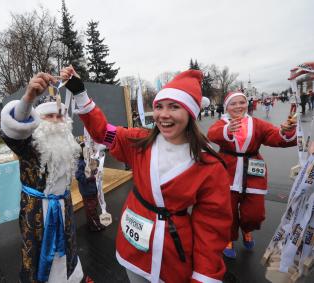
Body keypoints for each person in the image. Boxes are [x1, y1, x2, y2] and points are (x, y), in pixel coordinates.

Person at [62, 66, 232, 283]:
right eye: (159, 106)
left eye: (174, 107)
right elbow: (102, 131)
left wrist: (203, 277)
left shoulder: (209, 166)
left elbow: (212, 229)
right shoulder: (139, 141)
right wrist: (80, 92)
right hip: (132, 250)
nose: (164, 114)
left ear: (190, 113)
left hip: (172, 257)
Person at [0, 73, 84, 283]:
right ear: (38, 120)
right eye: (49, 116)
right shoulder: (29, 144)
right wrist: (28, 98)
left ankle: (71, 277)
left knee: (68, 246)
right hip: (37, 211)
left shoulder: (68, 143)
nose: (56, 121)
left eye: (59, 116)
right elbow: (14, 130)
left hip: (64, 206)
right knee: (38, 253)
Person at [207, 91, 297, 259]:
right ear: (226, 107)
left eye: (241, 102)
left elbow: (273, 136)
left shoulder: (256, 123)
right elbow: (212, 133)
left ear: (246, 104)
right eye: (233, 104)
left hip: (253, 170)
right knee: (228, 211)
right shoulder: (222, 123)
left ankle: (247, 228)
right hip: (228, 172)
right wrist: (227, 129)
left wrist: (285, 132)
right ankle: (229, 238)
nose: (238, 106)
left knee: (254, 213)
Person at [75, 144, 105, 232]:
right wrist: (92, 178)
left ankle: (92, 224)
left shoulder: (90, 161)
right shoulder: (81, 163)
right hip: (87, 191)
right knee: (91, 209)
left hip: (92, 190)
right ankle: (95, 225)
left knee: (93, 208)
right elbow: (79, 177)